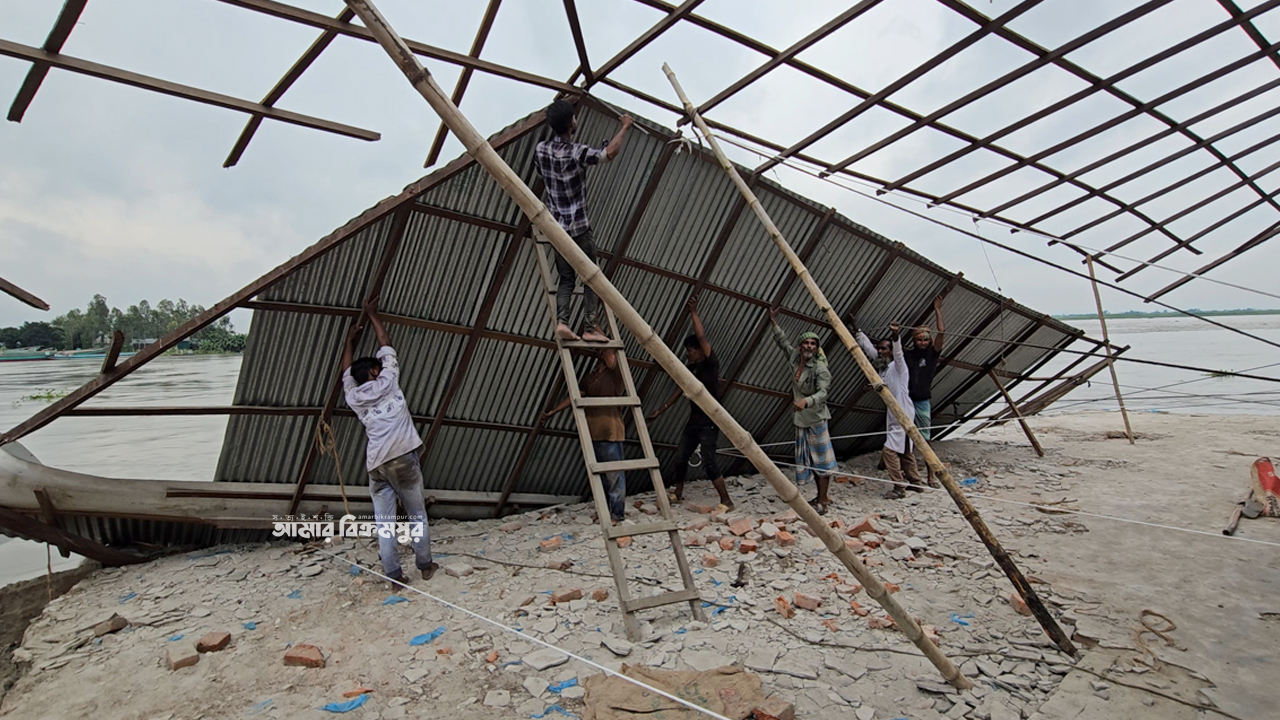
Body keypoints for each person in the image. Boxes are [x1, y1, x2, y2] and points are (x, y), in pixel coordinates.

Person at [341, 301, 437, 583]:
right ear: (374, 372)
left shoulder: (353, 397)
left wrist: (348, 341)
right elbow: (386, 343)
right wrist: (373, 316)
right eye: (377, 367)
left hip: (376, 465)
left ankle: (394, 575)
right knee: (416, 514)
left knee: (385, 524)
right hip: (403, 459)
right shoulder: (389, 380)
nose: (381, 368)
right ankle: (425, 566)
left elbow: (345, 372)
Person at [533, 99, 633, 343]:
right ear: (571, 123)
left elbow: (540, 172)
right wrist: (624, 127)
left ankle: (562, 323)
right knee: (591, 277)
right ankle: (590, 327)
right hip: (578, 226)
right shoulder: (577, 152)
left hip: (557, 230)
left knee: (566, 279)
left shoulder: (541, 150)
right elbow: (608, 154)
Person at [647, 296, 734, 510]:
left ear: (699, 351)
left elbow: (702, 337)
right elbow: (681, 389)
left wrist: (693, 313)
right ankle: (678, 493)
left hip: (709, 422)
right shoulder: (691, 369)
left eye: (691, 350)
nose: (688, 354)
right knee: (680, 457)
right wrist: (662, 409)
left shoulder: (710, 365)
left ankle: (726, 500)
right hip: (694, 422)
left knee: (709, 462)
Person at [544, 346, 628, 523]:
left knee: (614, 476)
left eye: (603, 351)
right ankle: (605, 512)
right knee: (603, 478)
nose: (601, 353)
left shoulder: (615, 374)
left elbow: (610, 353)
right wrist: (554, 411)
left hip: (611, 432)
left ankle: (617, 514)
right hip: (593, 433)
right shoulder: (590, 378)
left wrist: (596, 325)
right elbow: (576, 396)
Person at [767, 308, 835, 514]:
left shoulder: (820, 368)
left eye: (813, 344)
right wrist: (773, 321)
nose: (809, 346)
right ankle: (820, 495)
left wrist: (807, 401)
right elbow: (782, 343)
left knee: (821, 461)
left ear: (817, 348)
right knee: (811, 460)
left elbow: (824, 392)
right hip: (800, 419)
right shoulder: (796, 358)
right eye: (806, 343)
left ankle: (823, 499)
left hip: (815, 418)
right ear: (801, 345)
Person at [856, 321, 922, 499]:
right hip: (895, 413)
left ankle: (899, 487)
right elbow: (869, 350)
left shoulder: (898, 366)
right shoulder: (882, 366)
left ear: (890, 352)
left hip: (903, 412)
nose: (881, 351)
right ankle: (915, 481)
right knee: (906, 449)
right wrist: (858, 330)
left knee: (889, 451)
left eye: (885, 349)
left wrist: (895, 335)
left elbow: (898, 353)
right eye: (880, 349)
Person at [905, 296, 945, 487]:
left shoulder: (932, 354)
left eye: (925, 339)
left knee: (926, 440)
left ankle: (931, 476)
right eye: (919, 339)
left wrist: (937, 310)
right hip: (906, 401)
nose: (922, 342)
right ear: (914, 340)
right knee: (907, 439)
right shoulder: (908, 355)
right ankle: (912, 475)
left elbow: (942, 333)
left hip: (922, 401)